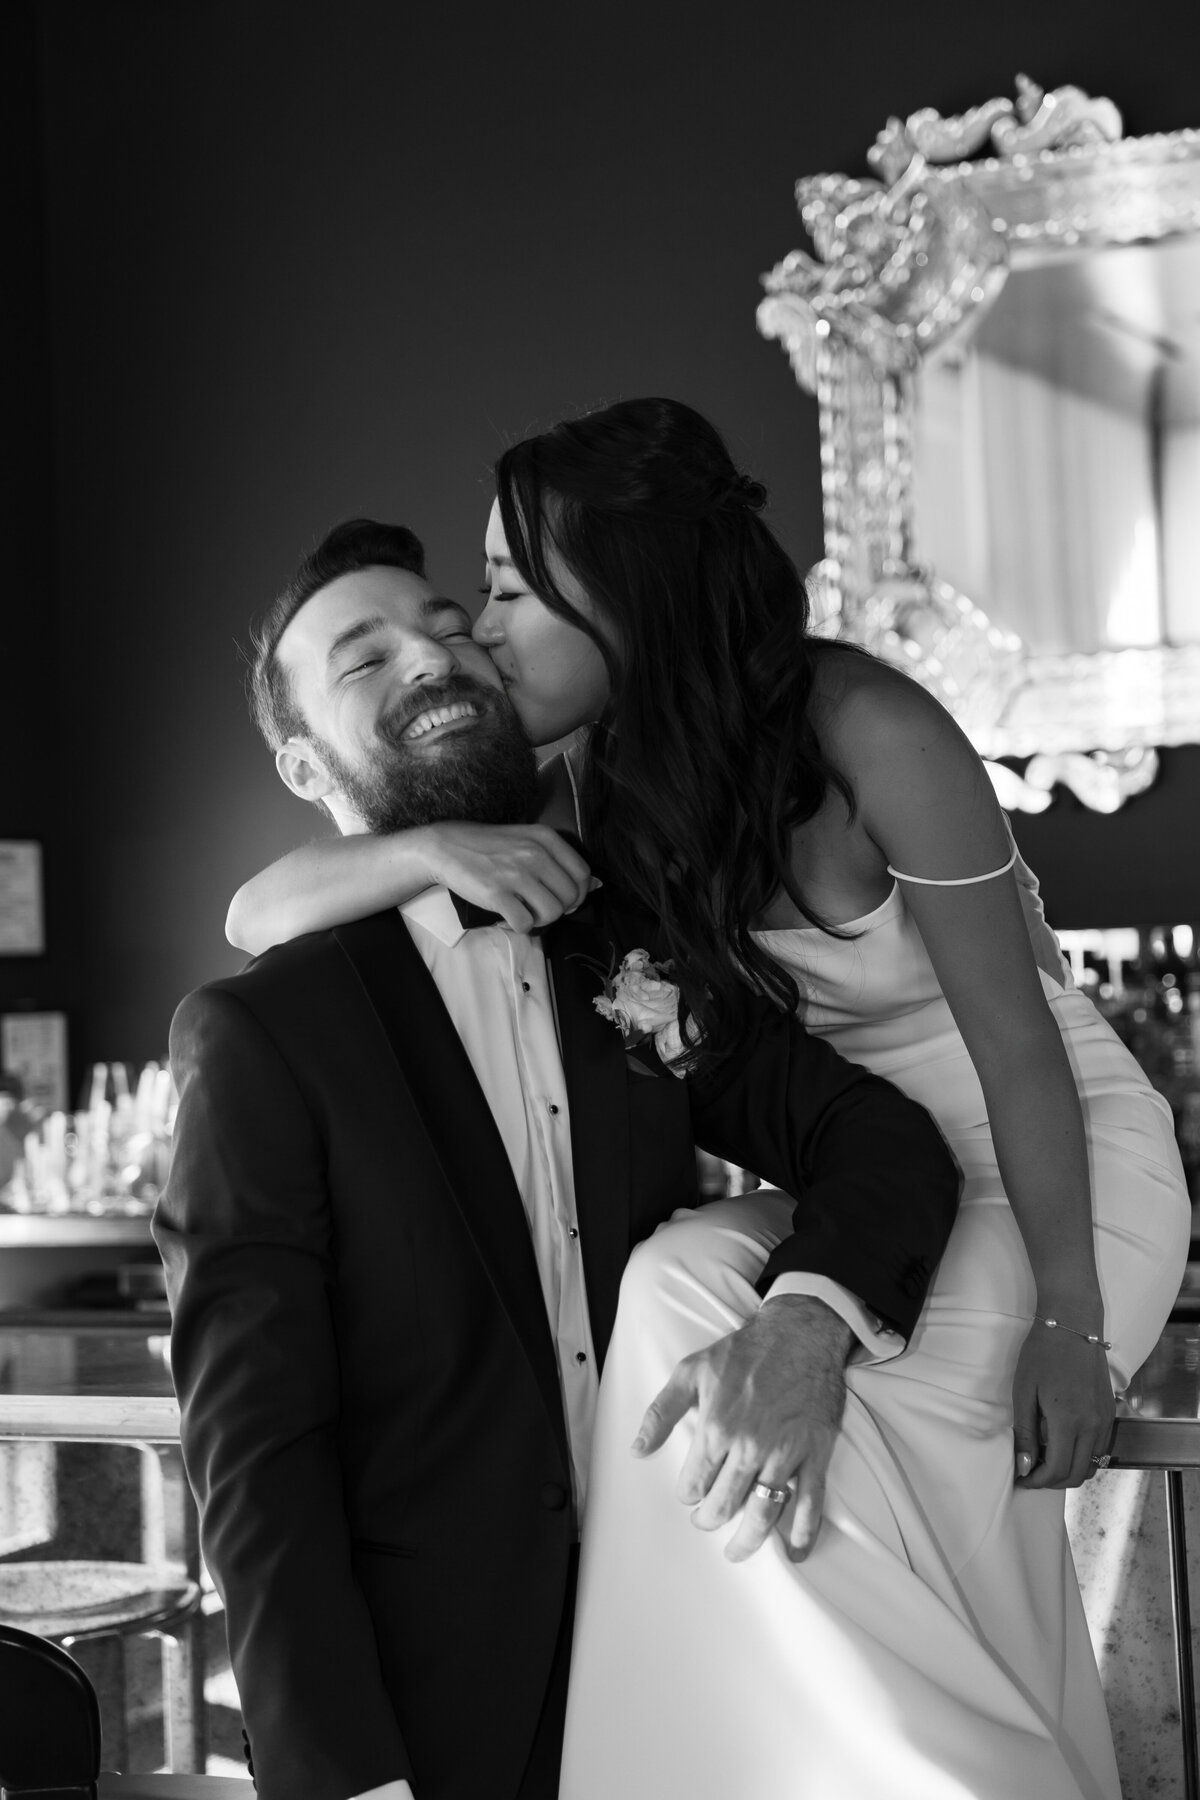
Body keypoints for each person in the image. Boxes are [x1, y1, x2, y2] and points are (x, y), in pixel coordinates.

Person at [228, 401, 1190, 1800]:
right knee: (671, 1287)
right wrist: (433, 842)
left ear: (617, 593)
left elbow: (1020, 1048)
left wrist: (1069, 1316)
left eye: (500, 591)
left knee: (848, 1457)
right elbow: (262, 912)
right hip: (873, 1164)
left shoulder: (870, 726)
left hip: (1052, 1153)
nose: (477, 637)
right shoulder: (602, 784)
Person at [156, 518, 960, 1800]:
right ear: (305, 768)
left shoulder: (625, 950)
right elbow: (256, 1458)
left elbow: (883, 1142)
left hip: (698, 1663)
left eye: (446, 623)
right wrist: (345, 1781)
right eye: (365, 660)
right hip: (439, 1715)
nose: (431, 655)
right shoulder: (266, 1034)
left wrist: (806, 1325)